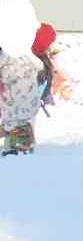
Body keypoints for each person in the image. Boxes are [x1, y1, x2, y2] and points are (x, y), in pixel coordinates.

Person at [0, 23, 53, 156]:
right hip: (23, 111)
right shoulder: (37, 62)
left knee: (17, 127)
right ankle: (20, 145)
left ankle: (18, 146)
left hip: (15, 110)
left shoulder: (17, 56)